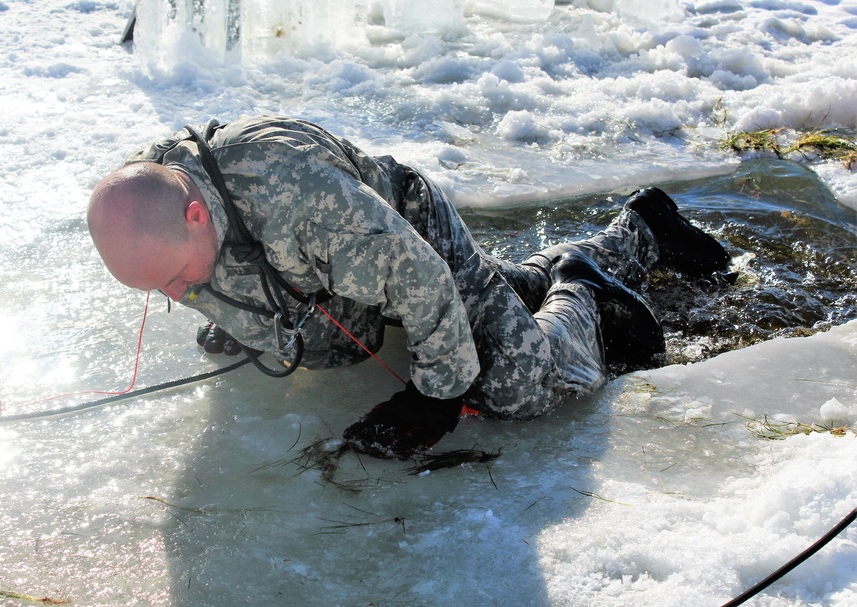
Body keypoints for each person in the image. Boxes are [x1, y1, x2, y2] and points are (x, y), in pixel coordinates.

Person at [87, 115, 730, 460]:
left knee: (511, 387)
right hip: (336, 266)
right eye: (159, 291)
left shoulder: (300, 200)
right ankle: (532, 277)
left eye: (176, 281)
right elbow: (209, 268)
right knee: (328, 348)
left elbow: (420, 280)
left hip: (412, 237)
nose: (176, 296)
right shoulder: (158, 201)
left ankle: (579, 286)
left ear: (195, 213)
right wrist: (239, 313)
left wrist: (434, 394)